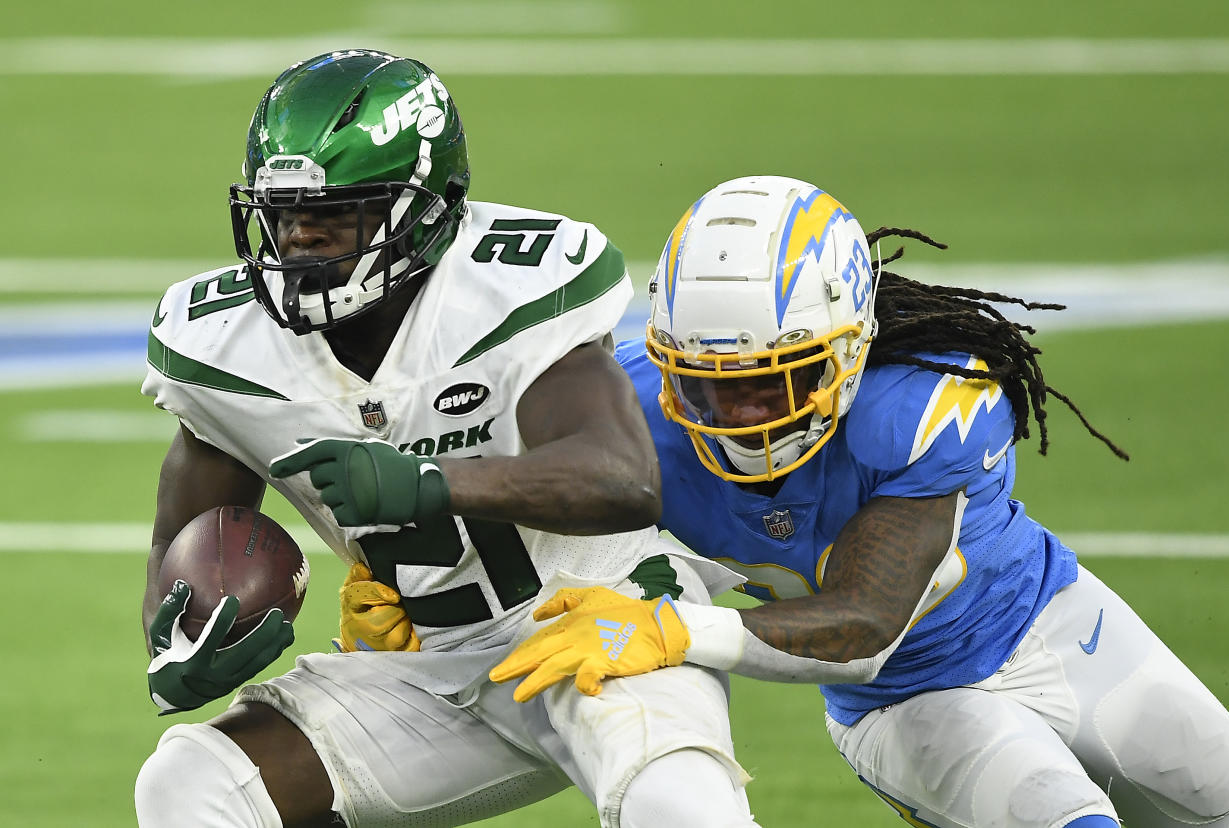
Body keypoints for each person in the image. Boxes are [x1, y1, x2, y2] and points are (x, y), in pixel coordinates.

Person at [490, 175, 1229, 827]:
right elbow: (498, 485)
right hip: (908, 704)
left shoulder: (924, 402)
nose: (738, 414)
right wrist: (388, 573)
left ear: (848, 349)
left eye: (769, 380)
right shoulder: (631, 415)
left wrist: (673, 627)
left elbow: (866, 622)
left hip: (1053, 619)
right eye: (705, 382)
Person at [134, 50, 760, 828]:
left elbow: (621, 480)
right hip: (422, 668)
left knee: (680, 806)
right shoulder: (224, 344)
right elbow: (178, 548)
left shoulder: (511, 287)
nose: (297, 238)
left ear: (427, 208)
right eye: (282, 211)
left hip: (599, 628)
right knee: (189, 779)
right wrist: (180, 645)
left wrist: (426, 482)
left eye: (333, 212)